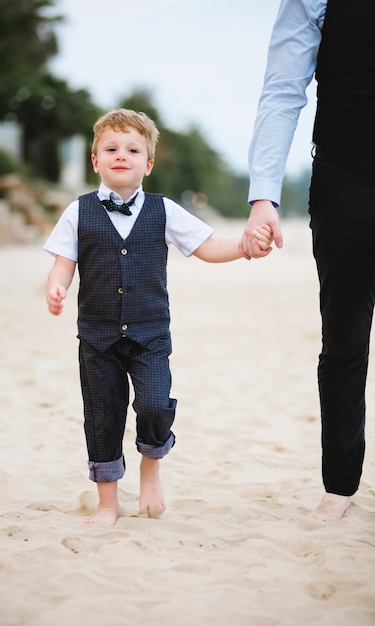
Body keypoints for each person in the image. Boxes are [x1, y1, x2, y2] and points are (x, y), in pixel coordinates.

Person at [44, 108, 272, 525]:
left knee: (152, 405)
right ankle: (108, 503)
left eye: (132, 149)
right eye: (110, 148)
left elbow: (206, 247)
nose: (121, 155)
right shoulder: (78, 213)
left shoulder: (164, 210)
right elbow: (63, 263)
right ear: (95, 160)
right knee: (103, 416)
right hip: (97, 337)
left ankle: (151, 468)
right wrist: (55, 288)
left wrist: (243, 247)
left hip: (150, 335)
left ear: (148, 164)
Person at [240, 0, 375, 522]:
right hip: (344, 181)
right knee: (343, 339)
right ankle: (339, 486)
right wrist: (263, 197)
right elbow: (282, 90)